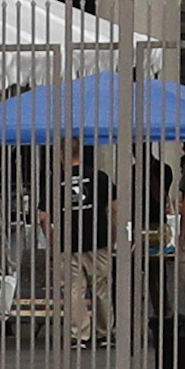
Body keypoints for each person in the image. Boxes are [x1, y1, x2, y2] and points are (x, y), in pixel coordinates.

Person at [59, 147, 115, 347]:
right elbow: (115, 208)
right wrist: (112, 236)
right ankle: (105, 332)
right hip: (98, 240)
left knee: (74, 289)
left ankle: (78, 334)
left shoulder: (56, 181)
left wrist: (53, 242)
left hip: (69, 242)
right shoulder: (100, 177)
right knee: (101, 287)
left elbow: (43, 217)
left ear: (62, 155)